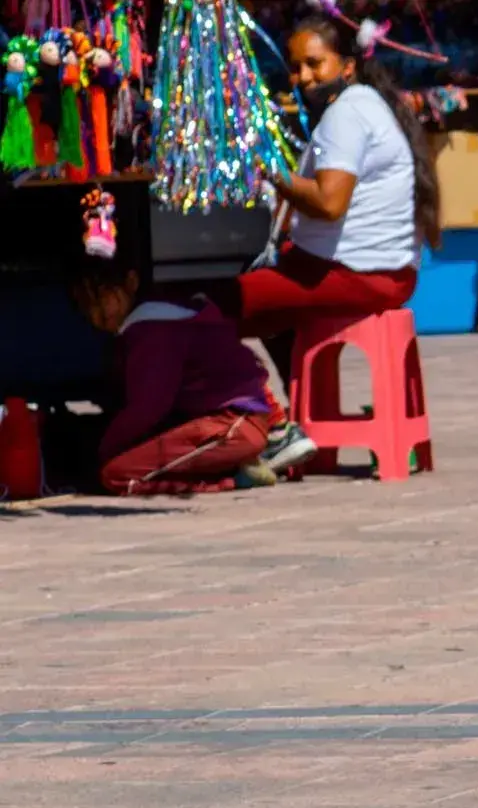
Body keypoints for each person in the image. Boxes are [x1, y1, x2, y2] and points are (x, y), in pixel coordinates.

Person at [221, 17, 442, 473]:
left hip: (355, 275)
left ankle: (275, 425)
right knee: (267, 308)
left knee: (211, 313)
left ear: (346, 65)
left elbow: (327, 203)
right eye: (295, 67)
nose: (302, 78)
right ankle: (295, 429)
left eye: (314, 64)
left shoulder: (347, 114)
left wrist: (270, 170)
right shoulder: (362, 105)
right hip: (372, 271)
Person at [74, 264, 281, 496]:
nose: (97, 312)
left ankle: (230, 479)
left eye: (104, 295)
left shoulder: (152, 330)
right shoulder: (171, 312)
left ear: (131, 282)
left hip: (231, 427)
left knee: (116, 474)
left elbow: (148, 408)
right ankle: (232, 466)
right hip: (236, 423)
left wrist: (106, 450)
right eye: (85, 305)